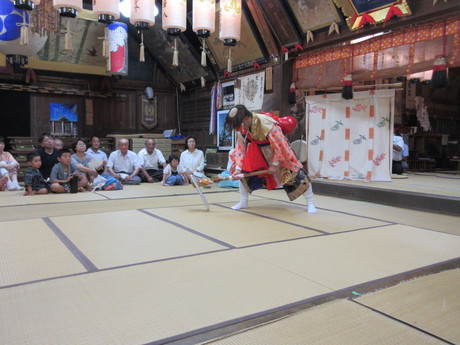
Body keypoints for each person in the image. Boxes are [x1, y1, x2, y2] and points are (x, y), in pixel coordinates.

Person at [224, 105, 317, 213]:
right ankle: (243, 201)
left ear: (246, 119)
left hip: (279, 152)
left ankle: (310, 203)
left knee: (297, 174)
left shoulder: (266, 122)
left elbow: (280, 145)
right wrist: (238, 169)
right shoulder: (243, 128)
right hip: (259, 153)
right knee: (243, 174)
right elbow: (240, 148)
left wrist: (275, 164)